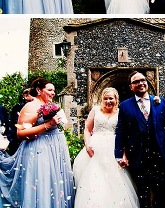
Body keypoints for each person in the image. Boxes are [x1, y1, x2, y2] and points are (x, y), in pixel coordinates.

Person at [115, 71, 165, 208]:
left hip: (160, 154)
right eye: (136, 82)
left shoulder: (160, 102)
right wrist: (119, 154)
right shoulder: (124, 106)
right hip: (137, 155)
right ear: (131, 87)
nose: (141, 83)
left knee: (161, 192)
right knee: (143, 193)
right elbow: (121, 131)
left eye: (143, 80)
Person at [0, 78, 74, 207]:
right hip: (39, 149)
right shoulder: (31, 106)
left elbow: (62, 126)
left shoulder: (52, 105)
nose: (53, 93)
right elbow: (20, 133)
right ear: (39, 90)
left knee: (55, 185)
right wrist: (47, 125)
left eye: (54, 90)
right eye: (49, 90)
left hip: (55, 150)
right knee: (42, 184)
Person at [73, 87, 139, 208]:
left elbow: (124, 134)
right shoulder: (95, 110)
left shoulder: (120, 113)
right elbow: (87, 129)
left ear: (116, 99)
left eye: (111, 98)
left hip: (114, 148)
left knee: (115, 178)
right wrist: (87, 145)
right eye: (105, 98)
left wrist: (123, 154)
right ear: (102, 99)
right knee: (95, 177)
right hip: (95, 147)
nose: (108, 101)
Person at [6, 88, 32, 155]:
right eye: (32, 94)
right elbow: (15, 123)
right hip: (18, 138)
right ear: (25, 96)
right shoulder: (18, 107)